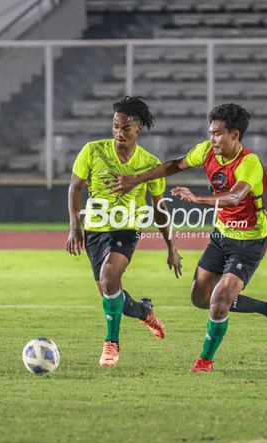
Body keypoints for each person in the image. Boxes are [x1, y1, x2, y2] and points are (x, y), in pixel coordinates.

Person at [108, 102, 267, 372]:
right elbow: (173, 166)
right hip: (221, 236)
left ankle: (205, 360)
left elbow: (235, 196)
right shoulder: (206, 151)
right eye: (210, 132)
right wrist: (137, 179)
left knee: (219, 299)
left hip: (249, 241)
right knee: (200, 298)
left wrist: (198, 199)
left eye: (217, 133)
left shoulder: (249, 163)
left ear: (234, 135)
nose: (212, 139)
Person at [66, 96, 183, 368]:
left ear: (139, 128)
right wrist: (75, 226)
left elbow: (159, 208)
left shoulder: (150, 164)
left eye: (126, 128)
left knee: (108, 279)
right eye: (116, 126)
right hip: (95, 230)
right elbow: (75, 187)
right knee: (111, 293)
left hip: (127, 228)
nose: (119, 133)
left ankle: (111, 344)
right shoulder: (92, 151)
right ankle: (144, 311)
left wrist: (171, 247)